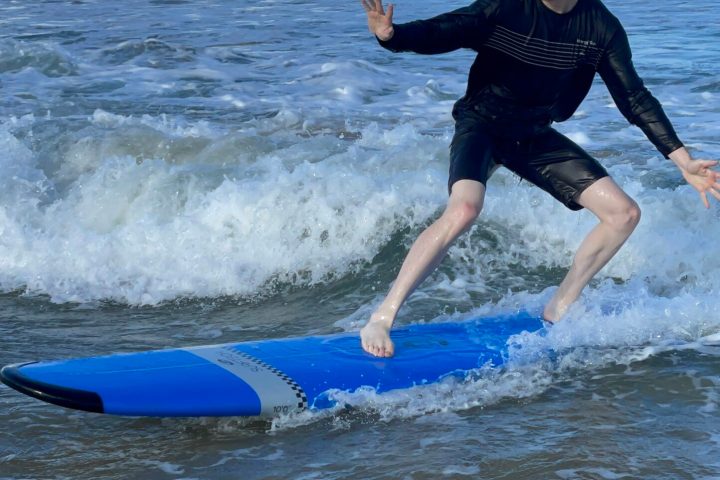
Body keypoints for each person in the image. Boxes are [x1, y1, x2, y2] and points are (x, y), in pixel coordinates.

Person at [358, 0, 720, 358]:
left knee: (623, 214)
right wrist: (392, 36)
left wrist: (682, 160)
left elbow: (633, 97)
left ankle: (558, 307)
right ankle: (383, 315)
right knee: (465, 208)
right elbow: (444, 31)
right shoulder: (507, 8)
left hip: (532, 134)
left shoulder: (600, 26)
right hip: (483, 123)